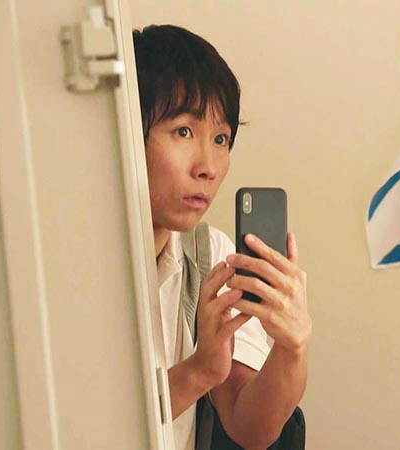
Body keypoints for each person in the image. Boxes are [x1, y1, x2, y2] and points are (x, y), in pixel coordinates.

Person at [133, 25, 312, 450]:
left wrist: (292, 347)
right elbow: (85, 425)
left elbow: (251, 430)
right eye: (183, 132)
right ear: (129, 133)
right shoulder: (79, 257)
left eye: (220, 139)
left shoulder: (211, 254)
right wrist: (198, 372)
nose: (209, 167)